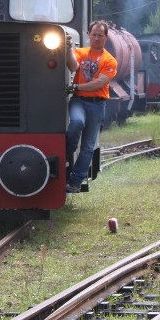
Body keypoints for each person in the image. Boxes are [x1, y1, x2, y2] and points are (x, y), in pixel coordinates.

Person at [65, 21, 118, 193]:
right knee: (76, 123)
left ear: (106, 37)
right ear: (88, 34)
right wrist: (67, 49)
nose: (96, 38)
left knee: (88, 146)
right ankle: (66, 152)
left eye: (100, 35)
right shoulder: (80, 52)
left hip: (97, 104)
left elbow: (98, 83)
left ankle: (74, 182)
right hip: (79, 101)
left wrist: (77, 86)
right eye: (93, 35)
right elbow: (73, 66)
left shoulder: (110, 60)